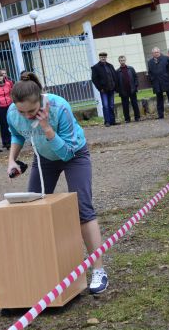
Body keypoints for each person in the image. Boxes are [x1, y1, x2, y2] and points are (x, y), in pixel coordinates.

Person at [6, 72, 109, 294]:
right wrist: (12, 159)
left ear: (40, 101)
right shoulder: (13, 113)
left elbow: (65, 153)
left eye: (31, 112)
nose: (26, 117)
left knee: (83, 209)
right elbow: (17, 135)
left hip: (73, 155)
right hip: (43, 158)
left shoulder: (60, 107)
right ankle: (39, 272)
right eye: (21, 112)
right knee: (31, 208)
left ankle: (98, 271)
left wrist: (46, 128)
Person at [147, 47, 169, 119]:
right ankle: (160, 115)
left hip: (166, 81)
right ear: (152, 54)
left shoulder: (166, 58)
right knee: (159, 99)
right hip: (156, 83)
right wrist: (152, 80)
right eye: (155, 52)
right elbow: (150, 72)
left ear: (160, 52)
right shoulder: (150, 62)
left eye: (158, 52)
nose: (157, 53)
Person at [91, 52, 118, 127]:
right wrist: (100, 88)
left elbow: (114, 76)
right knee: (105, 105)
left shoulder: (110, 66)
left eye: (104, 57)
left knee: (111, 105)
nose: (103, 58)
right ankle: (107, 121)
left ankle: (112, 121)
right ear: (99, 58)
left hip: (111, 89)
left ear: (106, 58)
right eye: (102, 57)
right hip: (103, 90)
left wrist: (115, 86)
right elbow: (94, 79)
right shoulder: (96, 67)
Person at [116, 56, 141, 123]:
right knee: (125, 106)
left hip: (132, 90)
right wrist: (119, 90)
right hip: (123, 91)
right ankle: (127, 119)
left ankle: (137, 117)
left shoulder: (131, 68)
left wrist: (136, 86)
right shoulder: (117, 71)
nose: (122, 61)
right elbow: (116, 82)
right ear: (119, 61)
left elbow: (135, 77)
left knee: (134, 104)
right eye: (121, 60)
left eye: (123, 60)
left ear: (125, 60)